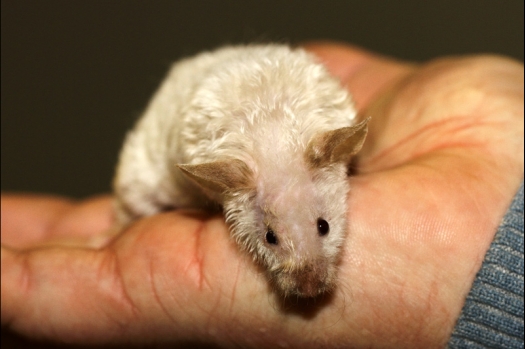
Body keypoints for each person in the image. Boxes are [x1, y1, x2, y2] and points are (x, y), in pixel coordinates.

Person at [1, 42, 523, 348]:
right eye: (272, 237)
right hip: (193, 116)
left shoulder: (331, 138)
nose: (309, 274)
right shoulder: (215, 161)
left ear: (336, 160)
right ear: (229, 193)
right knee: (136, 194)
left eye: (320, 227)